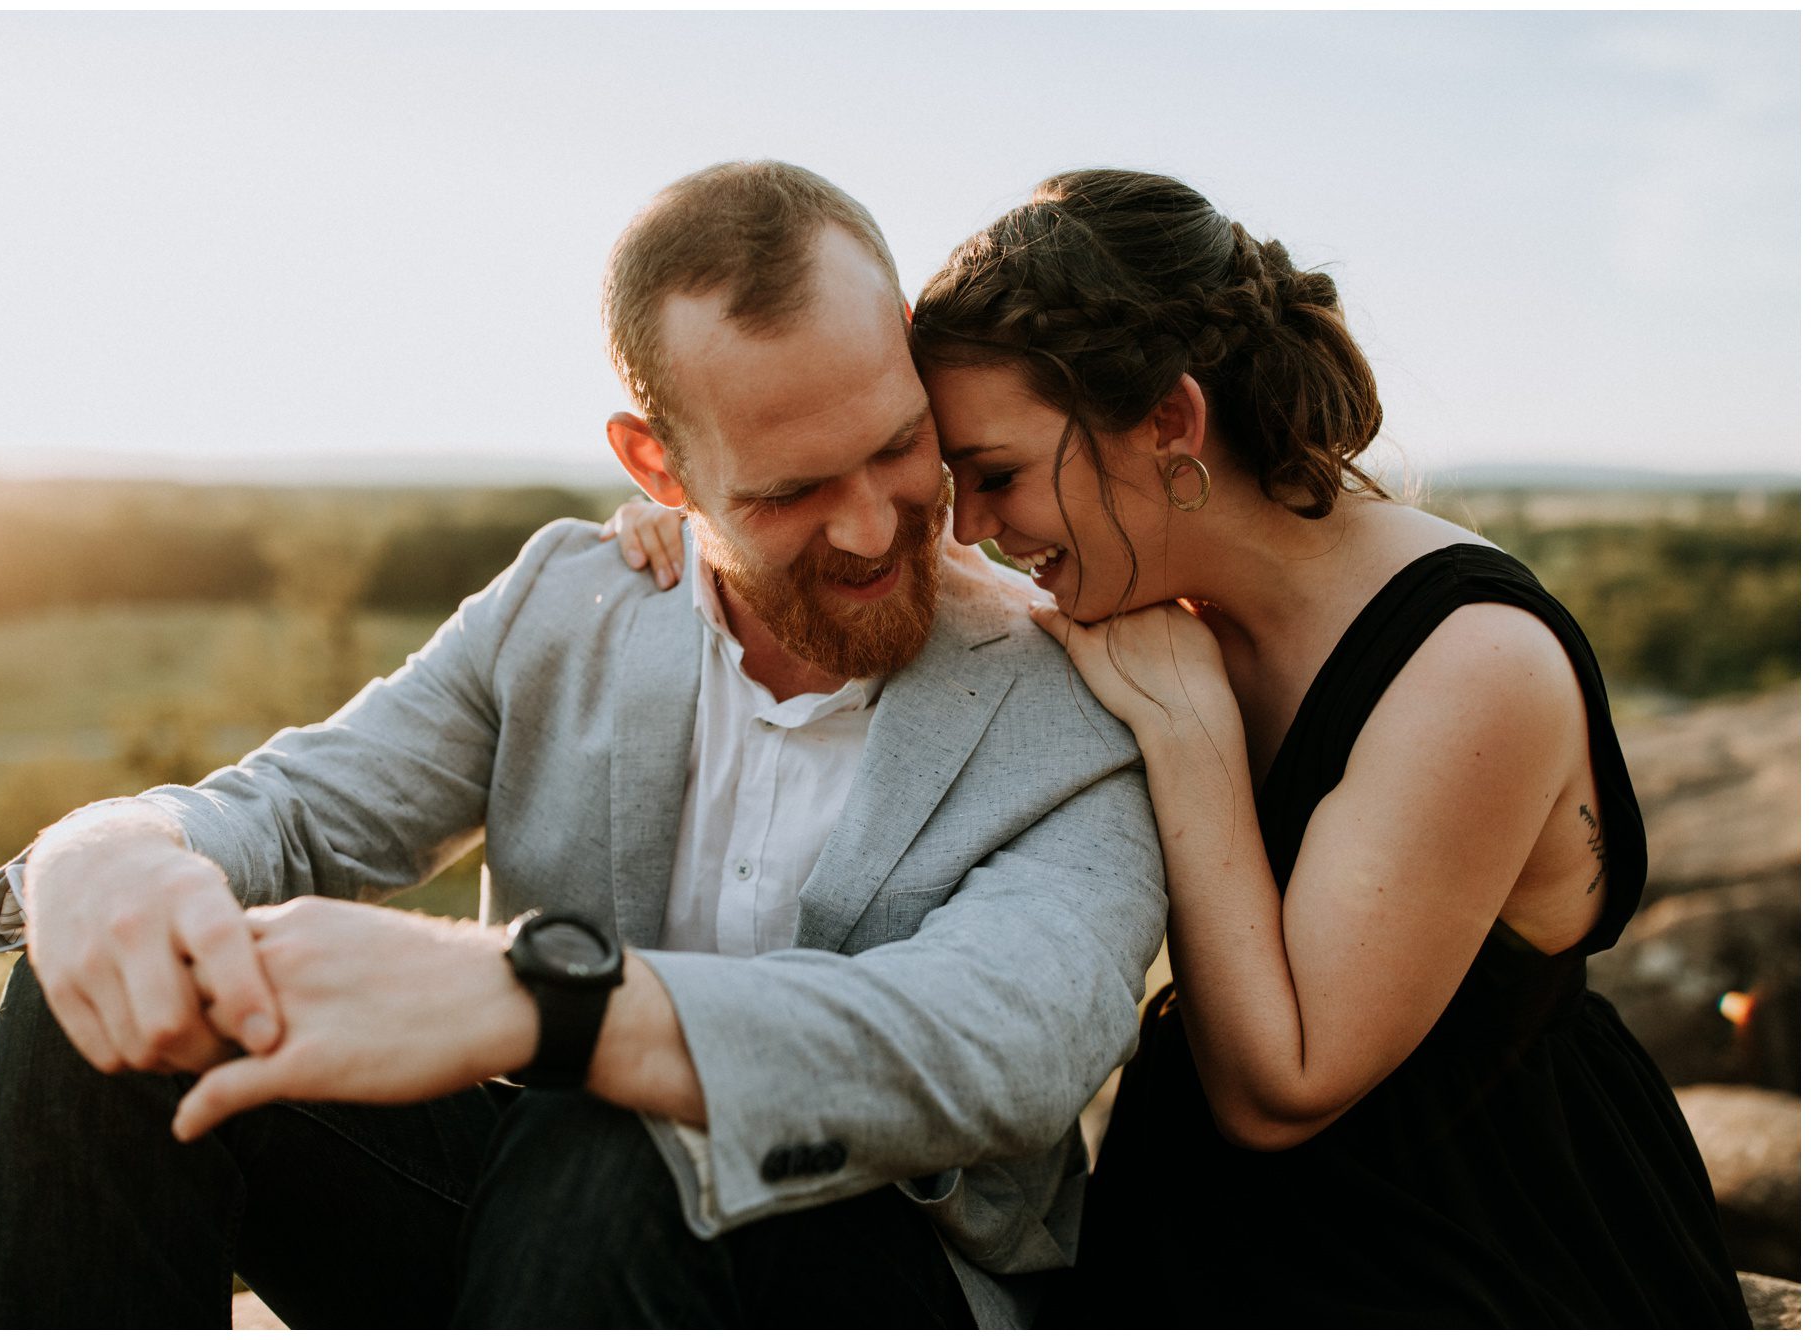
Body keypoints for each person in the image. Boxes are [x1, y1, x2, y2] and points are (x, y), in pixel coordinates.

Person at [0, 160, 1166, 1329]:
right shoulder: (564, 601)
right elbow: (298, 809)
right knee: (104, 994)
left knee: (619, 1123)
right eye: (788, 490)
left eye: (897, 446)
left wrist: (556, 1008)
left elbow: (1002, 1038)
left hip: (870, 1278)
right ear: (659, 464)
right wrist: (118, 844)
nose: (866, 524)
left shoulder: (1070, 688)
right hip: (532, 1243)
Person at [608, 168, 1750, 1326]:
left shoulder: (1469, 666)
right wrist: (705, 524)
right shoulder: (1140, 588)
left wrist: (1190, 736)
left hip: (1463, 1243)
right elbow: (862, 587)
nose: (968, 527)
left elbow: (1283, 1086)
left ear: (1168, 422)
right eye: (953, 478)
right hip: (1198, 1230)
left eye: (995, 474)